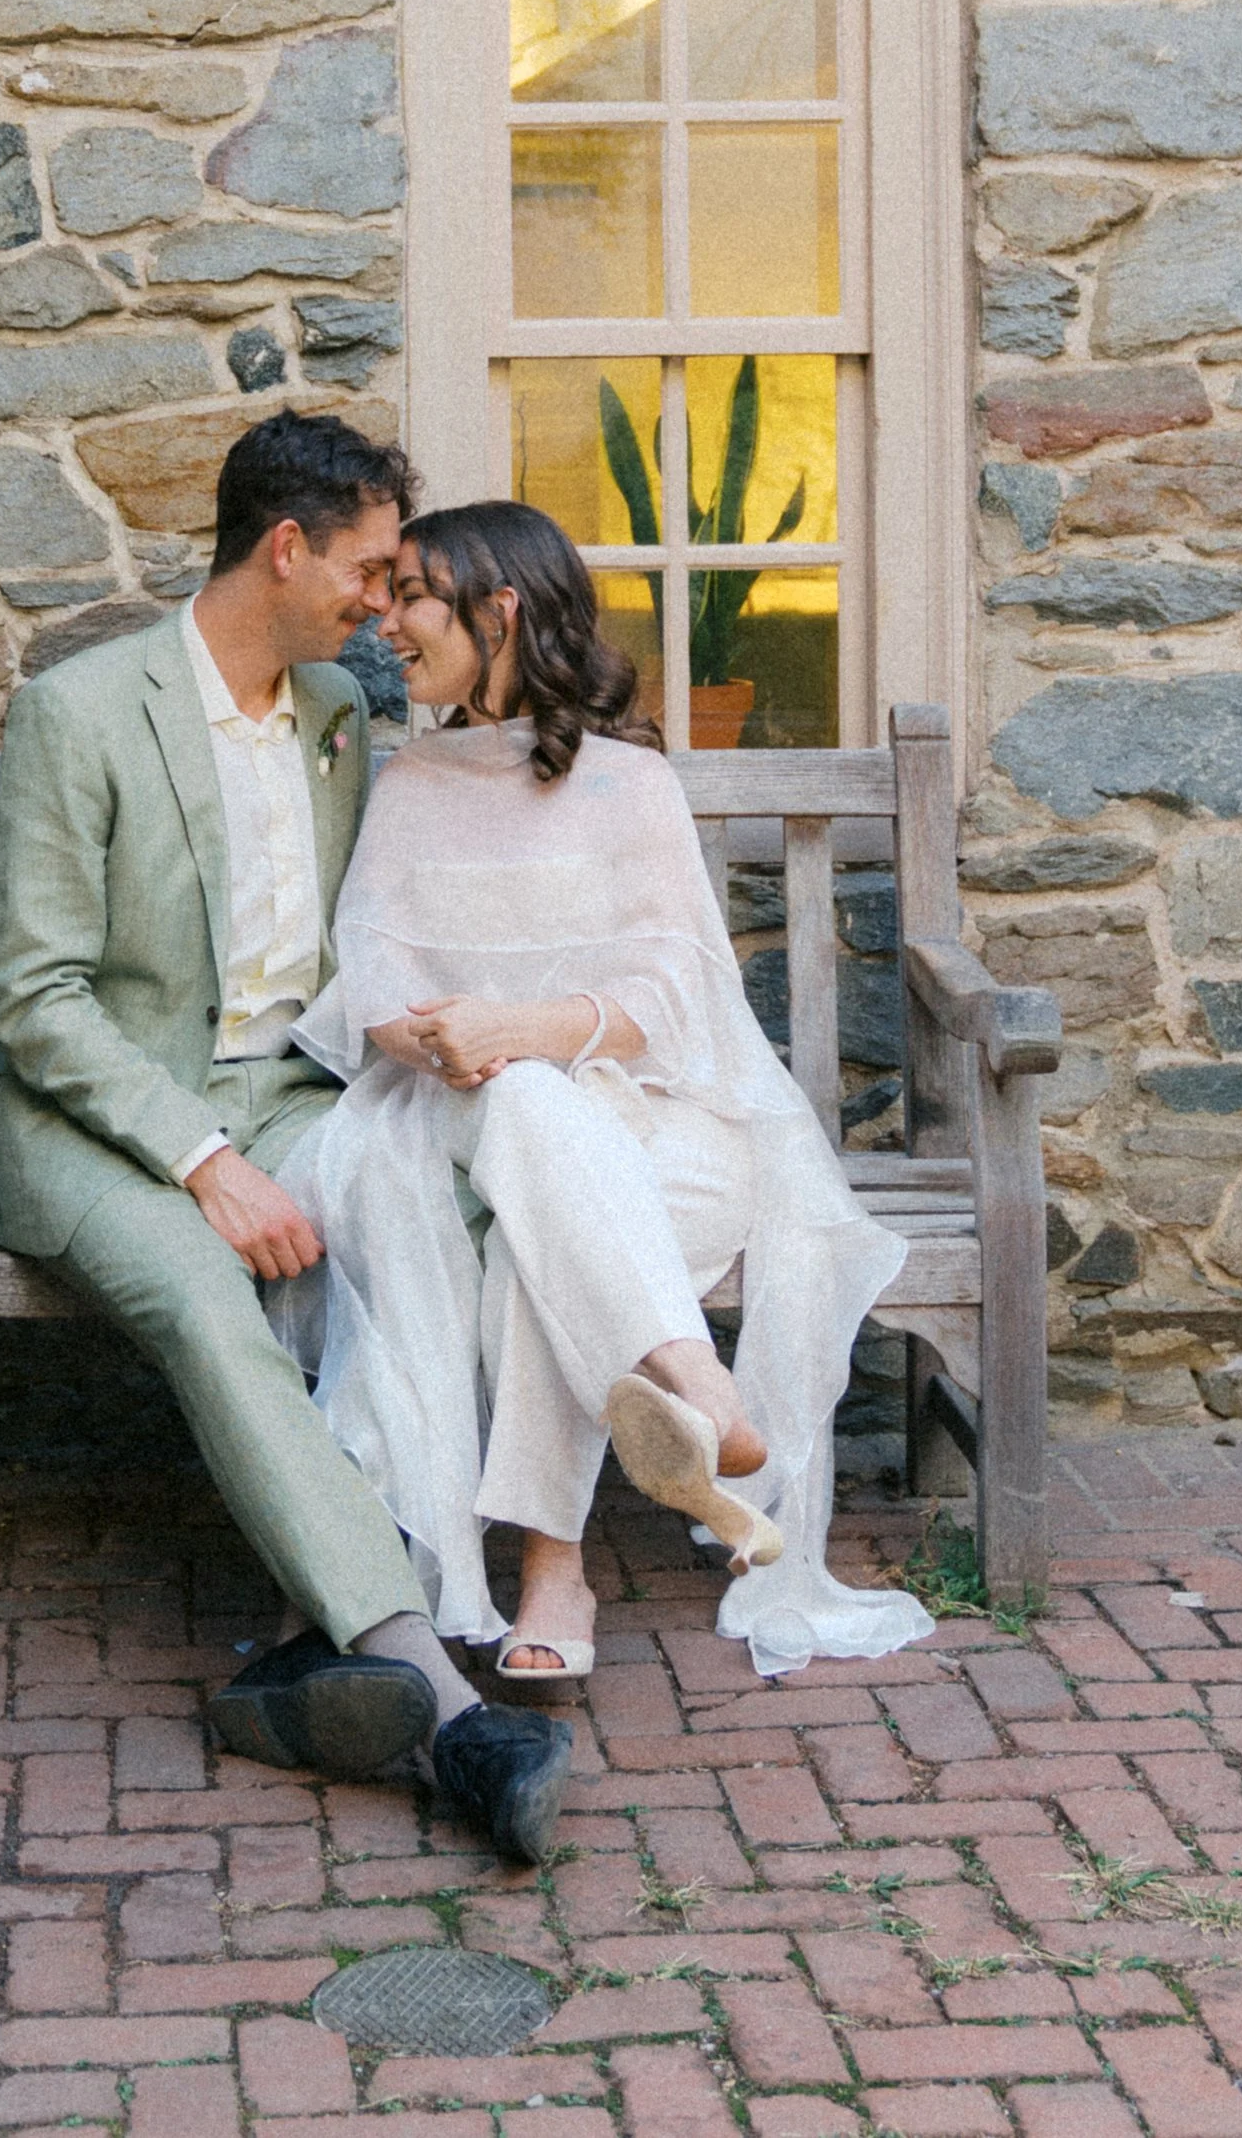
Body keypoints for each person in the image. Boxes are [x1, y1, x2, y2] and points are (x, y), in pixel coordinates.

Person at [0, 412, 575, 1859]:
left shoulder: (336, 723)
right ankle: (444, 1706)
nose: (384, 601)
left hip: (292, 1092)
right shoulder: (82, 708)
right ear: (287, 548)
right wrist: (203, 1160)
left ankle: (319, 1654)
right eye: (368, 569)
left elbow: (356, 945)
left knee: (439, 1213)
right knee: (206, 1293)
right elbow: (37, 1001)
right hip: (95, 1121)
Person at [270, 500, 934, 1685]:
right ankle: (681, 1395)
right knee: (529, 1118)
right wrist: (445, 1044)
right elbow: (369, 979)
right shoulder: (413, 777)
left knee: (545, 1196)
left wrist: (525, 1027)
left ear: (500, 609)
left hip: (664, 1133)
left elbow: (674, 995)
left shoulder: (633, 786)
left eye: (414, 596)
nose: (388, 626)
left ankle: (562, 1560)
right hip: (456, 1119)